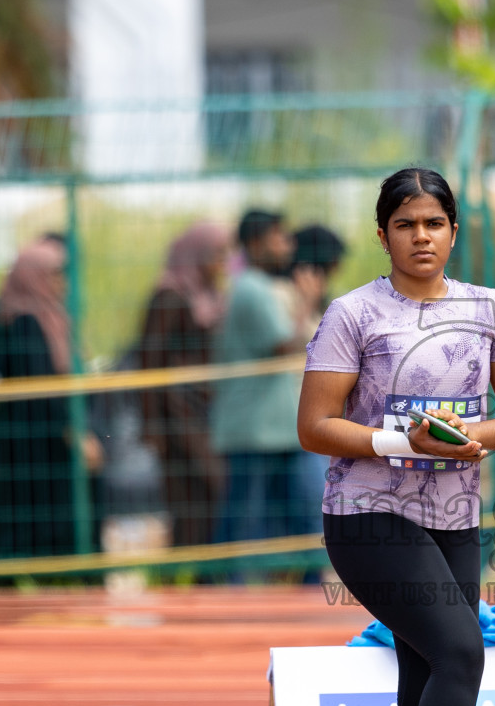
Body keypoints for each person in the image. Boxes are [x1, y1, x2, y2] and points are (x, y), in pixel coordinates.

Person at [298, 167, 495, 706]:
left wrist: (477, 439)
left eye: (433, 222)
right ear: (383, 235)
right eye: (405, 224)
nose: (421, 236)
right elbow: (315, 426)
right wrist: (404, 442)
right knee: (464, 654)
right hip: (368, 516)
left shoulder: (489, 307)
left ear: (455, 230)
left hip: (454, 516)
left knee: (430, 687)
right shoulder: (353, 314)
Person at [0, 238, 104, 573]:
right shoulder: (23, 322)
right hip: (28, 449)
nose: (63, 282)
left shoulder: (51, 320)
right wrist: (74, 433)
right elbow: (44, 390)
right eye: (56, 274)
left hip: (40, 449)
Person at [211, 209, 321, 548]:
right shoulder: (251, 290)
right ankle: (231, 584)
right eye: (279, 236)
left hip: (274, 430)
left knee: (292, 514)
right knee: (245, 516)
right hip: (255, 431)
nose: (287, 245)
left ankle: (296, 582)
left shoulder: (255, 287)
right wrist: (307, 301)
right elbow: (284, 344)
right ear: (257, 243)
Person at [137, 221, 230, 549]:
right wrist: (153, 426)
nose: (222, 262)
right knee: (195, 492)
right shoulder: (169, 295)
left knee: (208, 494)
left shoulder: (208, 296)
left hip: (208, 410)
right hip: (177, 413)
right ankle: (186, 576)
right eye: (216, 254)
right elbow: (149, 362)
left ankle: (204, 575)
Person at [287, 224, 346, 540]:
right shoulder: (287, 295)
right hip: (295, 419)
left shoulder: (326, 301)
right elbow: (287, 344)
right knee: (312, 507)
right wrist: (306, 303)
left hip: (324, 414)